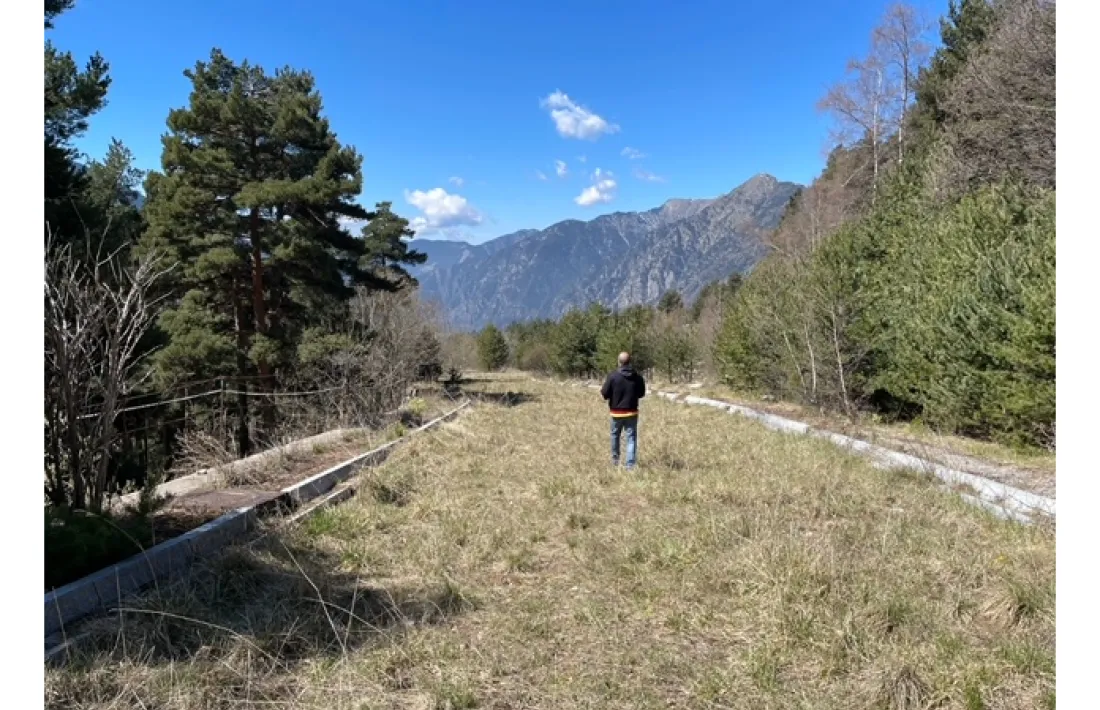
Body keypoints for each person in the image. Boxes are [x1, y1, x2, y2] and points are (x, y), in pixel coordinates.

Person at [600, 351, 646, 470]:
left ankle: (615, 461)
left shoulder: (613, 376)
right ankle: (630, 465)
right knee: (631, 438)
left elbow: (604, 393)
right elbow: (641, 394)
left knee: (615, 435)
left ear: (619, 362)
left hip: (616, 412)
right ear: (630, 361)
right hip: (632, 412)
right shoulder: (637, 377)